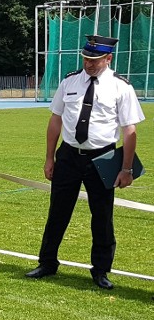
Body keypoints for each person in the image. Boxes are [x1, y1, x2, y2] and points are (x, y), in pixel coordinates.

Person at [26, 34, 144, 290]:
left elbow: (129, 130)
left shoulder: (121, 88)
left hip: (103, 157)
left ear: (108, 58)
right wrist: (49, 157)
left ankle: (101, 270)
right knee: (57, 211)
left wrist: (126, 169)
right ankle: (47, 262)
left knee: (102, 216)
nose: (89, 64)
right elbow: (55, 120)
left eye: (95, 59)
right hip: (68, 156)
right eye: (86, 58)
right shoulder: (69, 82)